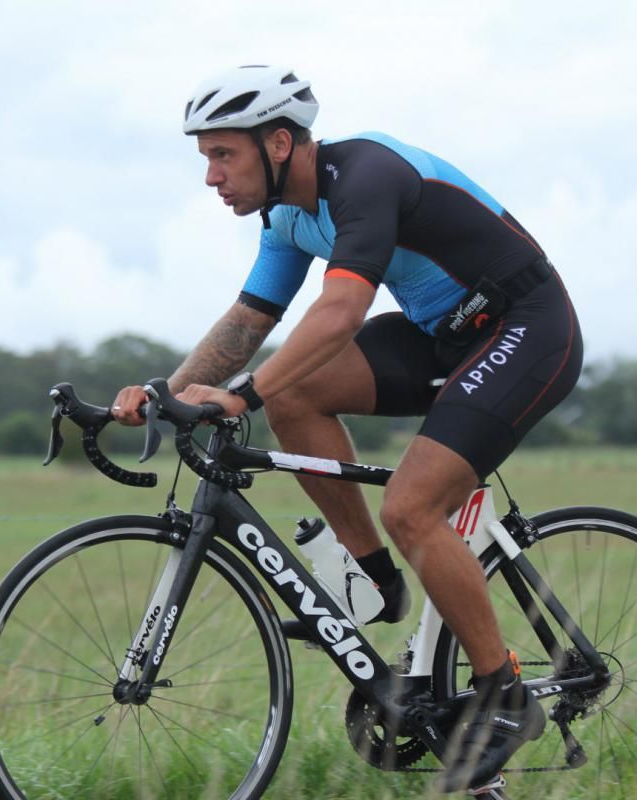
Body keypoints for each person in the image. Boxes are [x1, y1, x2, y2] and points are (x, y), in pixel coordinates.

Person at [111, 64, 583, 791]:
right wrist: (163, 393)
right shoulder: (289, 216)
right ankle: (376, 577)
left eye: (221, 154)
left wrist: (239, 398)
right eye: (206, 158)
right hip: (442, 335)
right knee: (295, 398)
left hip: (526, 327)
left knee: (413, 506)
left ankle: (505, 696)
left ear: (277, 143)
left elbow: (338, 314)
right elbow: (247, 322)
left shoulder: (365, 175)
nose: (211, 176)